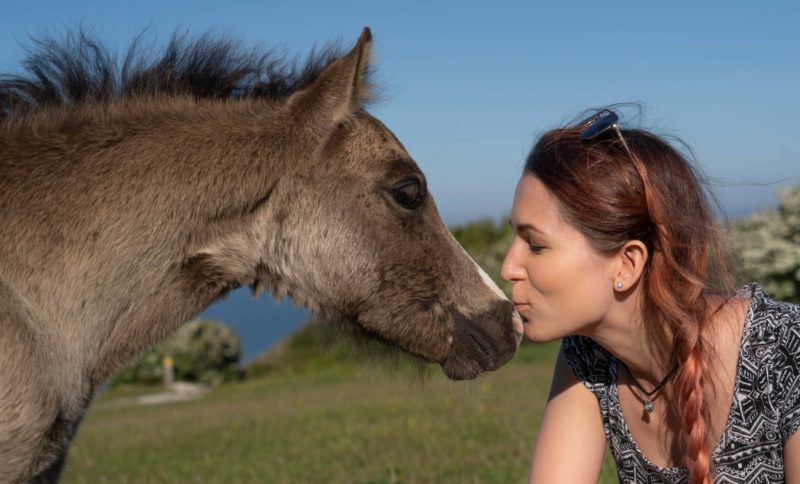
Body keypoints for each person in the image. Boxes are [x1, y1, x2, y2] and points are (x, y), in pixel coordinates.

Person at [501, 109, 800, 483]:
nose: (508, 267)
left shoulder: (785, 349)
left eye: (535, 244)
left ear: (626, 265)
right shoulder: (587, 358)